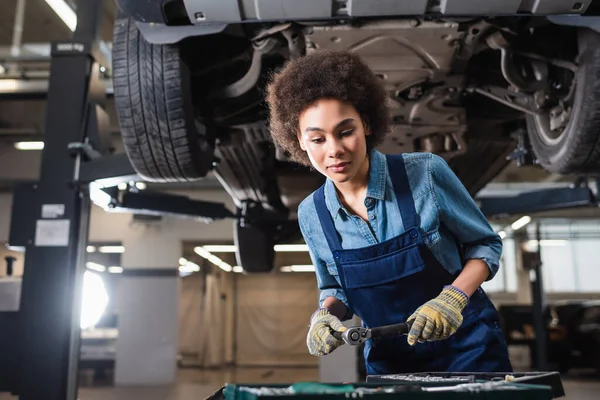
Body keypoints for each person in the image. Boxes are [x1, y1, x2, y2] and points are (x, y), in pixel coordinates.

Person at [265, 50, 513, 375]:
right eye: (317, 139)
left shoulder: (424, 174)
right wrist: (324, 315)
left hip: (468, 346)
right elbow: (336, 289)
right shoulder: (313, 214)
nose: (334, 150)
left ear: (366, 124)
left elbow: (486, 244)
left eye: (345, 132)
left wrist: (452, 298)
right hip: (390, 362)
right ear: (299, 141)